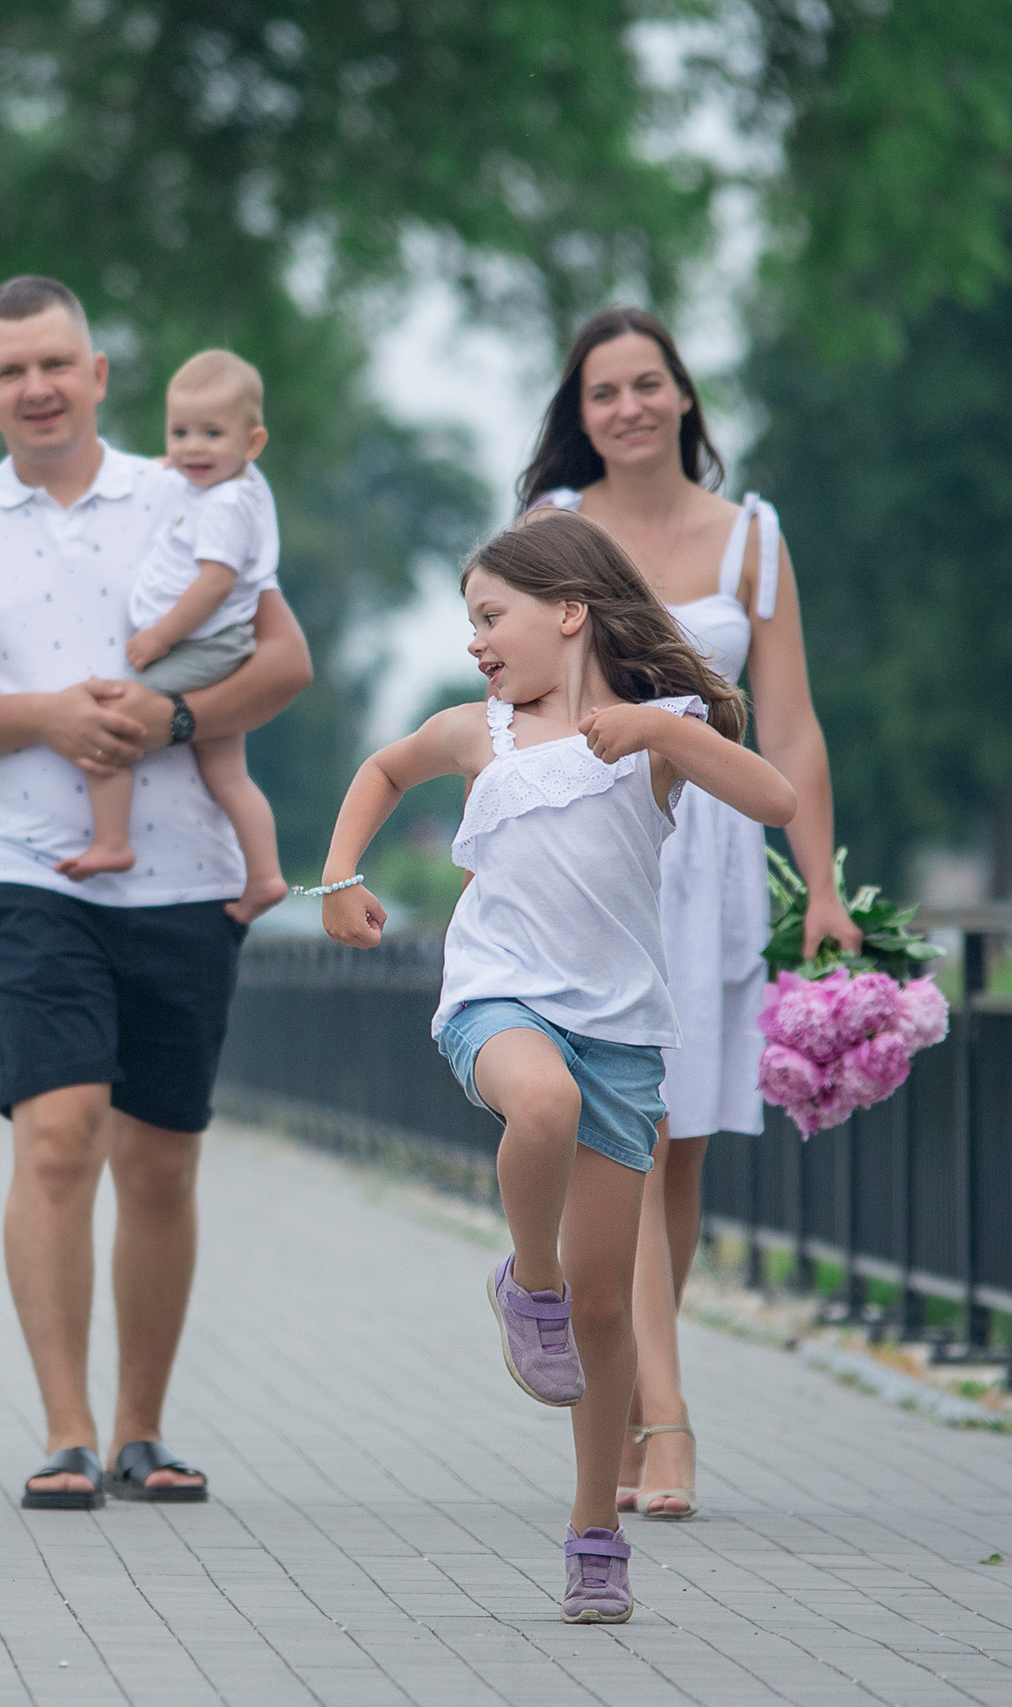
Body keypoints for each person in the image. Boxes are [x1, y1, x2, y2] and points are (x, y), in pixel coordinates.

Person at [315, 512, 796, 1621]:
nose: (476, 640)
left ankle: (594, 1531)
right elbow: (383, 769)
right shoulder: (478, 731)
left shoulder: (661, 730)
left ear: (570, 610)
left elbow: (773, 801)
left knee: (606, 1307)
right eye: (470, 621)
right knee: (540, 1102)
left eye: (492, 616)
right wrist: (339, 877)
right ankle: (525, 1281)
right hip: (498, 998)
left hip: (621, 1031)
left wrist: (662, 731)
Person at [0, 275, 312, 1509]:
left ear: (97, 374)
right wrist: (48, 716)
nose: (38, 388)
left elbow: (284, 662)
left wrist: (172, 719)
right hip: (35, 875)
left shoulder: (191, 492)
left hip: (188, 880)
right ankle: (66, 1432)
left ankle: (142, 1432)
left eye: (56, 363)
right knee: (59, 1137)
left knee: (161, 1165)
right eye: (12, 371)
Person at [519, 306, 861, 1520]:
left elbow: (792, 727)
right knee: (640, 1132)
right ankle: (666, 1424)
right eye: (603, 391)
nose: (628, 407)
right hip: (599, 849)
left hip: (714, 858)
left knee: (680, 1156)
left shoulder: (751, 538)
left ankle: (617, 1402)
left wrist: (820, 887)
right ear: (581, 413)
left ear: (682, 397)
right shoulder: (553, 532)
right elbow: (515, 699)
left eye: (646, 383)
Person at [51, 349, 287, 922]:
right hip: (214, 642)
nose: (192, 449)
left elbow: (214, 583)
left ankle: (113, 840)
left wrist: (158, 638)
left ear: (252, 443)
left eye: (211, 434)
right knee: (227, 773)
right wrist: (175, 463)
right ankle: (265, 878)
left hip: (200, 645)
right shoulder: (234, 484)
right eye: (180, 433)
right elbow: (194, 467)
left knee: (109, 720)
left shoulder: (225, 506)